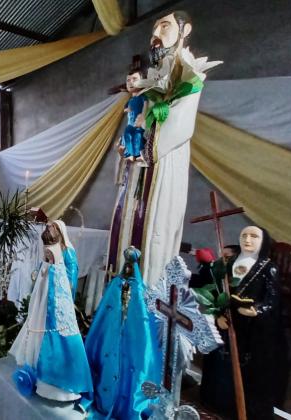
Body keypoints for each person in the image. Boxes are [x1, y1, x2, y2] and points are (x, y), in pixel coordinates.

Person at [106, 10, 221, 287]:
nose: (156, 36)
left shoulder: (189, 74)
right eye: (154, 29)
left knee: (152, 231)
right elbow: (137, 119)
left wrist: (146, 142)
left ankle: (146, 304)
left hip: (162, 165)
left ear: (186, 30)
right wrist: (127, 145)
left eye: (165, 27)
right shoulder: (152, 76)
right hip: (137, 168)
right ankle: (119, 302)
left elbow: (180, 125)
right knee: (127, 225)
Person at [199, 226, 287, 419]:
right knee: (220, 365)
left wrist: (256, 310)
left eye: (254, 236)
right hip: (226, 324)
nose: (248, 240)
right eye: (244, 235)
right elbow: (217, 292)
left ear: (263, 241)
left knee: (244, 371)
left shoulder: (267, 268)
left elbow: (273, 299)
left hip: (251, 330)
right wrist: (217, 315)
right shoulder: (228, 264)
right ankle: (215, 402)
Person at [9, 223, 92, 404]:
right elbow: (44, 264)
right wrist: (42, 271)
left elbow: (71, 273)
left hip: (59, 293)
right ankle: (37, 367)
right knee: (39, 324)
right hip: (46, 292)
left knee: (57, 331)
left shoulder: (67, 252)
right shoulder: (51, 249)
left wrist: (59, 280)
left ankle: (57, 377)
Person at [84, 246, 162, 419]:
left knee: (132, 368)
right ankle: (105, 400)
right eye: (126, 264)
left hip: (130, 337)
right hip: (113, 333)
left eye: (130, 265)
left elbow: (141, 320)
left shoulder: (140, 291)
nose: (127, 269)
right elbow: (107, 309)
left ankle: (128, 406)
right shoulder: (116, 284)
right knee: (108, 362)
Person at [117, 69, 148, 162]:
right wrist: (127, 109)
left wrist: (143, 115)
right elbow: (126, 108)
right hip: (130, 124)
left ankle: (138, 153)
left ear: (142, 81)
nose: (131, 82)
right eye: (128, 80)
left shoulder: (142, 97)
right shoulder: (130, 100)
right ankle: (129, 153)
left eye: (134, 79)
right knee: (127, 134)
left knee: (137, 136)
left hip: (138, 122)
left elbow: (146, 105)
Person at [52, 220, 79, 294]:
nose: (51, 230)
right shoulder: (53, 247)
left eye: (54, 228)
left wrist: (69, 285)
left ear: (60, 231)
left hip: (62, 286)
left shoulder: (68, 250)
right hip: (52, 283)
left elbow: (72, 270)